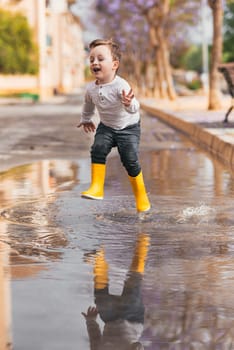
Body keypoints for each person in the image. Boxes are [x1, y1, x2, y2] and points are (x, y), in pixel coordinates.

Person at [77, 38, 150, 212]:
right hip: (107, 126)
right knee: (98, 148)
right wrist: (86, 118)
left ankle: (141, 196)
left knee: (130, 160)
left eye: (100, 59)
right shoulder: (91, 89)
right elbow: (88, 104)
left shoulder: (121, 85)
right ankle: (97, 187)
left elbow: (135, 108)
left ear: (114, 64)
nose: (95, 62)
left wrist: (127, 103)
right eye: (92, 59)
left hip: (128, 128)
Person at [82, 233, 150, 350]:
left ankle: (99, 259)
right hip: (132, 318)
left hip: (110, 318)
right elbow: (138, 345)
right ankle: (143, 238)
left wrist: (91, 321)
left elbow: (95, 340)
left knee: (100, 294)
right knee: (134, 280)